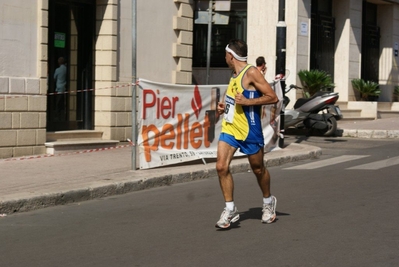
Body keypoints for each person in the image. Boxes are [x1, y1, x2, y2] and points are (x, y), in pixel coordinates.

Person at [215, 39, 278, 229]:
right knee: (220, 166)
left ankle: (268, 202)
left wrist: (248, 103)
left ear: (231, 56)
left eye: (226, 54)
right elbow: (234, 100)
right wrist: (223, 107)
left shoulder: (251, 72)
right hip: (230, 128)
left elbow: (272, 97)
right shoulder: (234, 75)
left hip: (250, 130)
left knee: (258, 169)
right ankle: (230, 208)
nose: (224, 57)